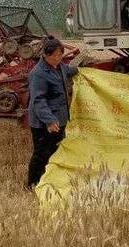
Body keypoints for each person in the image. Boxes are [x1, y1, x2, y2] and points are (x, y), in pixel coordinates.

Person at [26, 36, 78, 188]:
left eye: (59, 55)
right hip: (43, 123)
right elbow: (38, 100)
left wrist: (84, 70)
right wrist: (49, 120)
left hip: (59, 118)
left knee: (55, 151)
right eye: (53, 56)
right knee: (41, 154)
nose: (57, 58)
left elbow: (70, 70)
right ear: (45, 55)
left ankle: (49, 180)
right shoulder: (38, 74)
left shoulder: (60, 67)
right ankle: (33, 183)